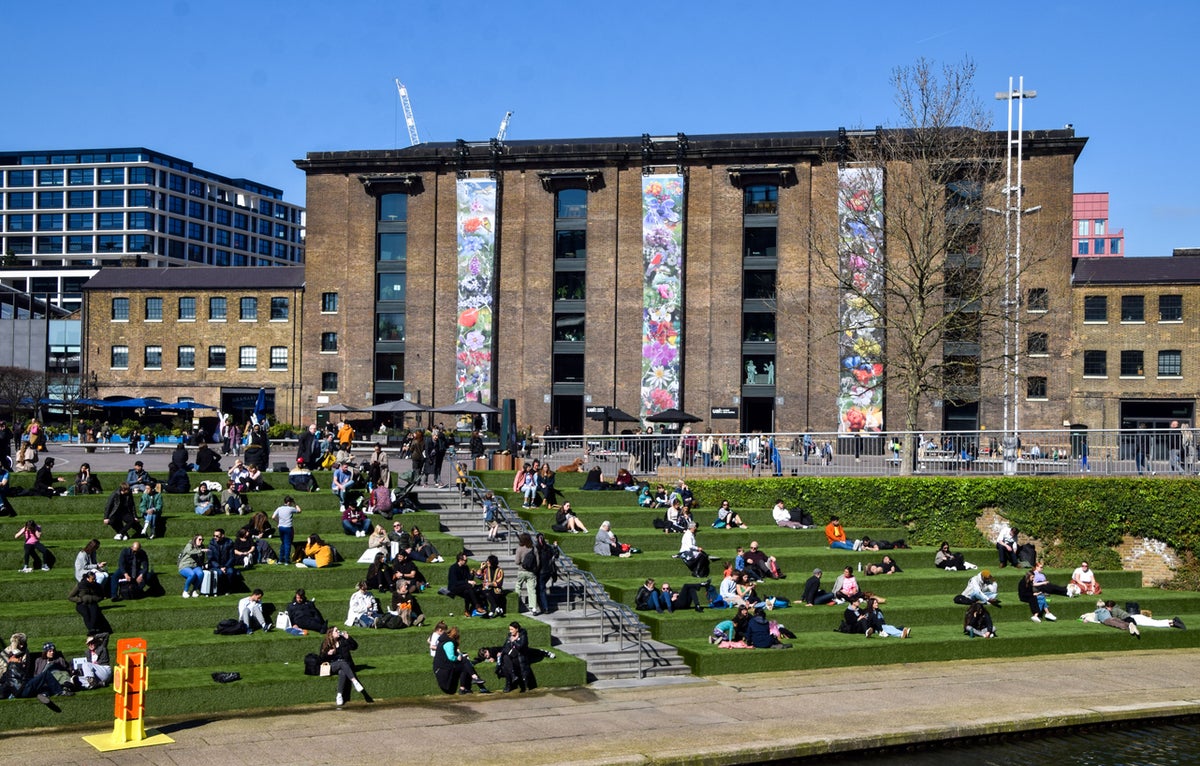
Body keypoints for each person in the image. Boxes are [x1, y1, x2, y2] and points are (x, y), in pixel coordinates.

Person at [320, 627, 372, 707]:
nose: (338, 632)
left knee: (343, 671)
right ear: (331, 634)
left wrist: (348, 638)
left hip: (346, 666)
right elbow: (322, 658)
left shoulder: (343, 640)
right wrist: (328, 654)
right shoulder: (326, 643)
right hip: (333, 666)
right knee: (341, 663)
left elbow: (355, 646)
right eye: (336, 631)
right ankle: (355, 681)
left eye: (338, 630)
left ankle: (339, 695)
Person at [432, 625, 490, 695]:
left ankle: (464, 687)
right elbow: (451, 657)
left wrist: (461, 656)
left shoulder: (444, 640)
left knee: (465, 663)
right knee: (465, 663)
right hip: (443, 669)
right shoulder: (449, 643)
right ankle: (473, 679)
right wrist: (458, 657)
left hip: (442, 667)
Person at [447, 551, 484, 616]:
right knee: (469, 587)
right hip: (454, 587)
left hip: (463, 586)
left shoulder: (465, 567)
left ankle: (467, 610)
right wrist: (468, 582)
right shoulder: (453, 568)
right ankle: (477, 606)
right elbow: (455, 582)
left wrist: (472, 574)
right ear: (460, 560)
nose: (466, 562)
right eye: (465, 560)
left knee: (467, 591)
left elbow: (469, 578)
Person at [207, 528, 238, 593]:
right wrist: (219, 567)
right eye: (214, 535)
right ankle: (219, 589)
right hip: (215, 566)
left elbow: (232, 557)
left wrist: (225, 567)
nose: (215, 537)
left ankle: (228, 589)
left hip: (227, 565)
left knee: (230, 572)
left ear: (222, 535)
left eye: (217, 536)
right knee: (219, 573)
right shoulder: (211, 544)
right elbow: (211, 558)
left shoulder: (229, 543)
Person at [272, 495, 301, 565]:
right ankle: (287, 560)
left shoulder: (279, 508)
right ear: (288, 502)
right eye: (291, 502)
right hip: (288, 528)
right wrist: (295, 504)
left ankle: (281, 559)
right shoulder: (290, 509)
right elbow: (299, 510)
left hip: (281, 527)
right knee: (288, 544)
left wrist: (278, 522)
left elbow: (273, 517)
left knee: (283, 543)